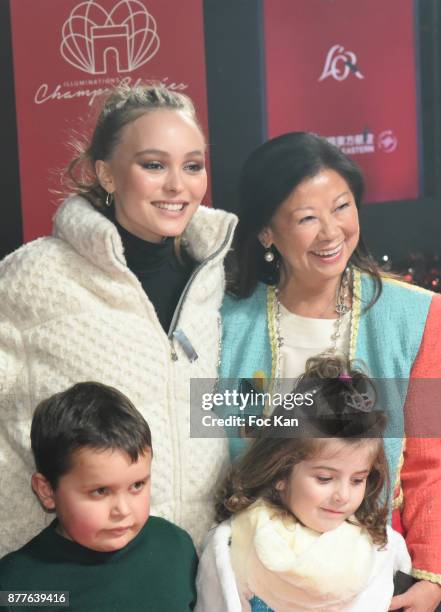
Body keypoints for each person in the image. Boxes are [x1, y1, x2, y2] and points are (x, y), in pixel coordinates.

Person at [0, 84, 237, 556]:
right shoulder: (33, 277)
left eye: (192, 165)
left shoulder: (214, 279)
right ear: (106, 173)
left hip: (196, 564)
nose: (178, 185)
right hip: (64, 571)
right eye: (153, 165)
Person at [220, 132, 441, 610]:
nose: (331, 232)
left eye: (342, 207)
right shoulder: (224, 325)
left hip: (376, 571)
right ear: (266, 232)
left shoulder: (416, 318)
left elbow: (430, 461)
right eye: (306, 218)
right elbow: (209, 447)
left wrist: (431, 578)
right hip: (259, 574)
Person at [196, 356, 411, 611]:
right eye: (324, 478)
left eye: (357, 480)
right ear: (280, 474)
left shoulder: (382, 550)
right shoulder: (235, 545)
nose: (343, 495)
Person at [0, 382, 197, 611]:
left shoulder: (175, 548)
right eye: (100, 491)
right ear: (47, 491)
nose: (123, 510)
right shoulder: (19, 587)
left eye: (137, 485)